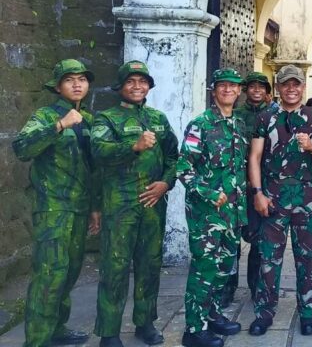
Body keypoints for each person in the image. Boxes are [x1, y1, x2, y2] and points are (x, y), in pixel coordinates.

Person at [13, 59, 100, 347]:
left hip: (79, 207)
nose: (77, 84)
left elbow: (93, 167)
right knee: (49, 273)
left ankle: (57, 328)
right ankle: (37, 340)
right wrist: (59, 125)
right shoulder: (46, 115)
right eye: (70, 79)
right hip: (53, 208)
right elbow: (22, 147)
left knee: (70, 271)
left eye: (82, 79)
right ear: (58, 86)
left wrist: (95, 208)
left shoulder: (88, 119)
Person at [91, 61, 179, 347]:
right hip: (121, 204)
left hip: (153, 204)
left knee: (149, 264)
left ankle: (145, 322)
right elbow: (98, 152)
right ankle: (109, 331)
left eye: (143, 81)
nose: (138, 86)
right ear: (120, 86)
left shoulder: (158, 118)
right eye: (131, 81)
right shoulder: (106, 118)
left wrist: (166, 183)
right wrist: (133, 146)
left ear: (149, 87)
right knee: (115, 266)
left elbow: (173, 157)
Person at [247, 65, 312, 336]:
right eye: (286, 84)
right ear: (279, 87)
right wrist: (258, 192)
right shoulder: (266, 116)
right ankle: (265, 312)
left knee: (307, 257)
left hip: (306, 197)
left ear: (303, 86)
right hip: (273, 196)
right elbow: (255, 158)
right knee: (269, 258)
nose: (291, 89)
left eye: (296, 84)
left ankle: (308, 310)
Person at [177, 68, 248, 347]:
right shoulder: (201, 124)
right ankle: (194, 329)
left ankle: (213, 314)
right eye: (222, 86)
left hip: (231, 212)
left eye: (233, 86)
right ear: (214, 90)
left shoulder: (239, 125)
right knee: (204, 267)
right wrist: (208, 192)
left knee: (225, 267)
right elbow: (184, 168)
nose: (228, 90)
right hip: (206, 213)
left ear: (239, 91)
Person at [222, 71, 274, 305]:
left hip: (260, 184)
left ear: (267, 92)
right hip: (234, 184)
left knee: (258, 238)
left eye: (261, 87)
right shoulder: (235, 114)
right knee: (231, 239)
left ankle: (256, 286)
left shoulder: (273, 115)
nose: (256, 90)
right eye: (252, 86)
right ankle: (228, 287)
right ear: (246, 90)